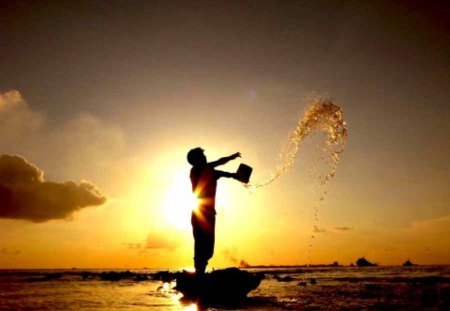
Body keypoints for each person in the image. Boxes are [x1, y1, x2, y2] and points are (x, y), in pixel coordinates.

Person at [187, 147, 241, 275]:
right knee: (201, 245)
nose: (205, 158)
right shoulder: (196, 170)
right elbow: (218, 162)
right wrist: (231, 158)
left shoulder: (209, 171)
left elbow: (222, 173)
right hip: (200, 213)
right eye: (202, 156)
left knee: (207, 248)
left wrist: (235, 176)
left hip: (208, 213)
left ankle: (199, 273)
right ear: (196, 160)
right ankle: (199, 274)